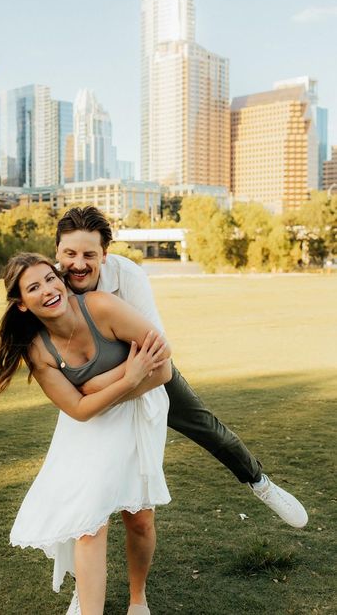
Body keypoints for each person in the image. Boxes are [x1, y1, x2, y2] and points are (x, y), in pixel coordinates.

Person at [55, 206, 309, 535]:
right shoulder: (51, 285)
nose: (78, 263)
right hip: (96, 377)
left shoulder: (127, 277)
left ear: (104, 254)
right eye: (69, 253)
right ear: (57, 251)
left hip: (146, 370)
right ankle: (80, 580)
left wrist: (106, 391)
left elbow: (159, 357)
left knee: (207, 427)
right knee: (74, 484)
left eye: (89, 254)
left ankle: (260, 482)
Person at [0, 252, 174, 615]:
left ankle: (138, 599)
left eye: (50, 279)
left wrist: (98, 387)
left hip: (138, 412)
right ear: (22, 304)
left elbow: (163, 371)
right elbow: (80, 411)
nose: (48, 290)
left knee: (140, 519)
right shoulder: (39, 351)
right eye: (33, 288)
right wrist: (129, 375)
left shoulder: (101, 307)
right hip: (87, 427)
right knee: (89, 522)